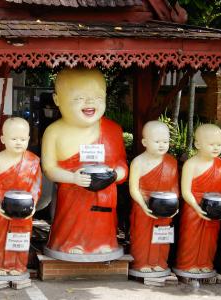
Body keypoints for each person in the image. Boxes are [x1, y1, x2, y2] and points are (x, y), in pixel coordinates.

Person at [42, 67, 128, 256]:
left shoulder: (112, 130)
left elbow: (122, 164)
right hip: (72, 194)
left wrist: (114, 175)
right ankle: (69, 243)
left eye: (97, 97)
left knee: (102, 219)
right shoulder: (54, 132)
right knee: (72, 220)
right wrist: (72, 178)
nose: (90, 103)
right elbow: (49, 168)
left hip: (105, 192)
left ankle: (103, 242)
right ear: (57, 100)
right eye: (79, 98)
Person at [0, 117, 42, 276]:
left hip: (25, 208)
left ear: (29, 139)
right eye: (14, 138)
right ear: (3, 139)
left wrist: (32, 206)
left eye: (23, 139)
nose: (18, 142)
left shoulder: (33, 161)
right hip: (0, 208)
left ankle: (18, 266)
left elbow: (36, 187)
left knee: (20, 237)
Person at [175, 124, 221, 274]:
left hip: (214, 208)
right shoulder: (191, 164)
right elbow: (185, 191)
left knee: (209, 239)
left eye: (219, 144)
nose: (216, 148)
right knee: (191, 236)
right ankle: (188, 264)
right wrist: (197, 207)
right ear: (198, 144)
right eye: (211, 144)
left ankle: (205, 262)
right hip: (194, 206)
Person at [129, 121, 179, 273]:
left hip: (166, 206)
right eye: (157, 142)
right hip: (143, 205)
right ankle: (141, 263)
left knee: (163, 235)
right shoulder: (138, 162)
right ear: (145, 142)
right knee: (142, 236)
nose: (162, 145)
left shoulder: (171, 162)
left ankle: (159, 262)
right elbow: (133, 188)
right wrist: (143, 205)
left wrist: (174, 205)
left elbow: (174, 187)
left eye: (165, 141)